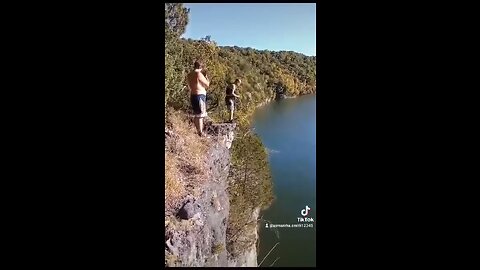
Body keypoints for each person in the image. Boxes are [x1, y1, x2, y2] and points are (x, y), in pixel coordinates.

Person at [186, 60, 210, 136]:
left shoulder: (189, 74)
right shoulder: (198, 74)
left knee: (197, 114)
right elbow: (207, 84)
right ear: (200, 67)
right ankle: (200, 133)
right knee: (201, 115)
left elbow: (191, 84)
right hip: (199, 96)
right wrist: (206, 77)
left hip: (193, 95)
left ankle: (198, 131)